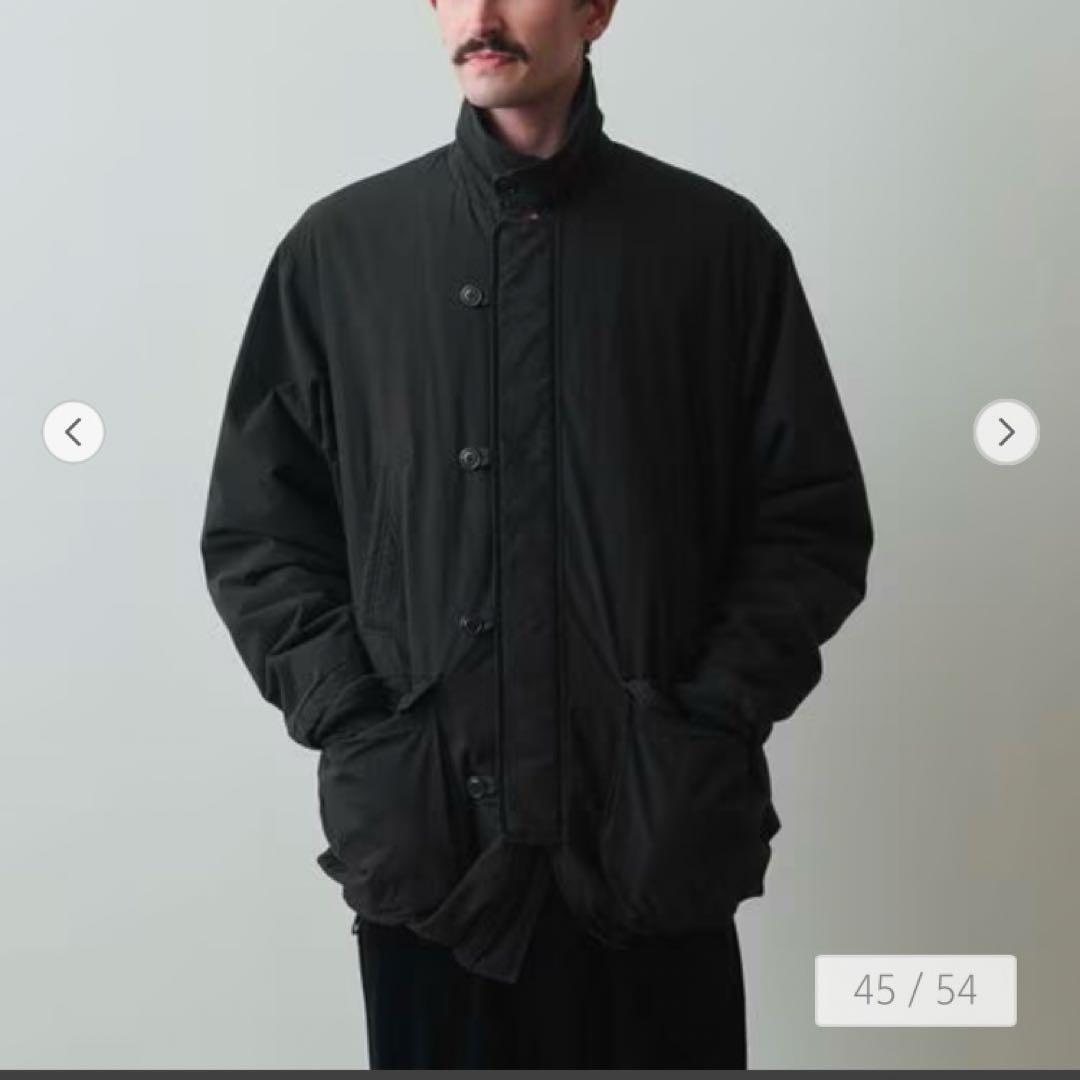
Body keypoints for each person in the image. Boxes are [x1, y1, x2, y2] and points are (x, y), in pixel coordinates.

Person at [199, 0, 874, 1068]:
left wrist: (706, 722)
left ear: (596, 9)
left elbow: (809, 520)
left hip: (651, 842)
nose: (480, 16)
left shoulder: (714, 246)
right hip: (437, 861)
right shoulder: (342, 252)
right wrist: (361, 730)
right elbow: (260, 532)